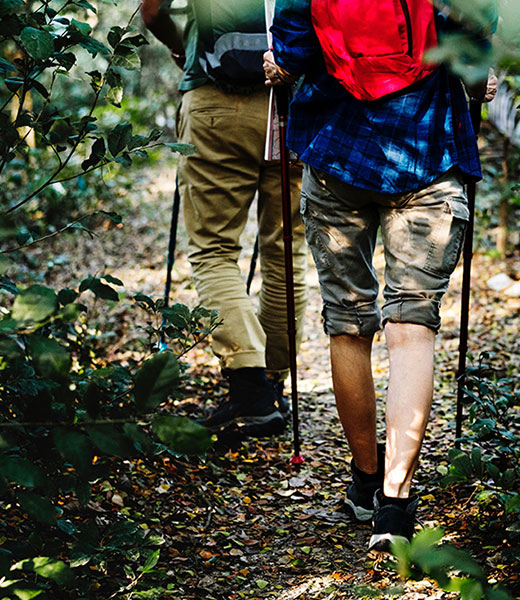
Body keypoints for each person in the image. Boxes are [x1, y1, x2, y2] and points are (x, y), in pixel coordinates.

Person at [266, 0, 495, 551]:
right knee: (411, 328)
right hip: (430, 154)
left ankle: (364, 481)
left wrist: (279, 66)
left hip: (337, 154)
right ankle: (395, 505)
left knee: (348, 324)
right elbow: (477, 37)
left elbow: (293, 54)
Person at [141, 0, 308, 437]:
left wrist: (182, 50)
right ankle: (271, 386)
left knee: (213, 249)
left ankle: (250, 390)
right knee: (287, 247)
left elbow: (153, 10)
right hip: (296, 103)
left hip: (217, 99)